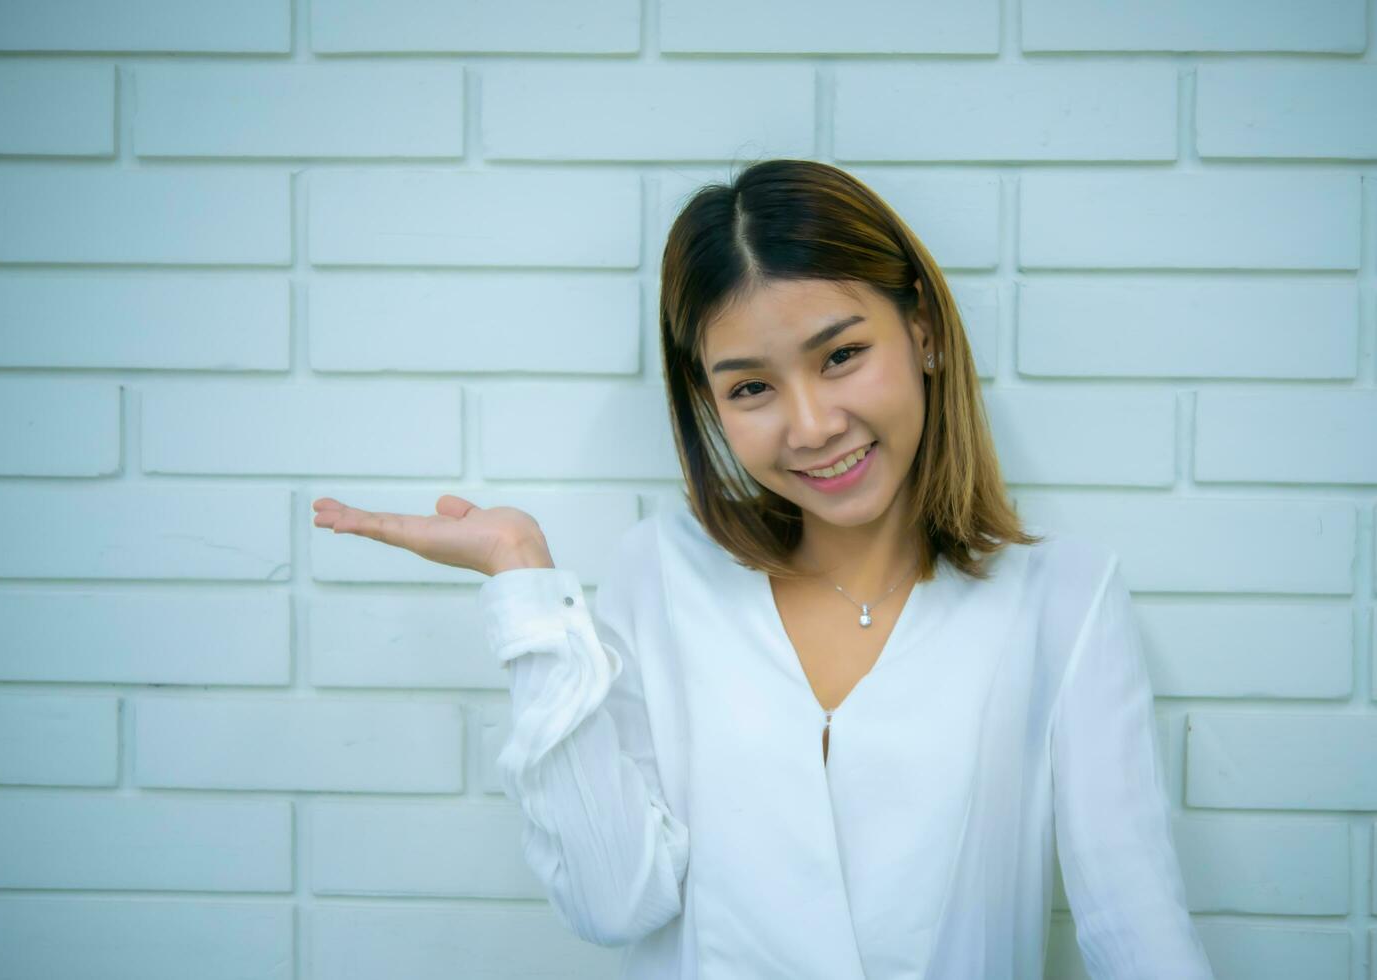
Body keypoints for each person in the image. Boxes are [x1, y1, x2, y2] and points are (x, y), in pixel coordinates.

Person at [312, 159, 1215, 979]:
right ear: (707, 401)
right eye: (751, 387)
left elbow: (1136, 933)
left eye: (843, 355)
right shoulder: (663, 571)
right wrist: (525, 587)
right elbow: (611, 901)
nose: (812, 424)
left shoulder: (1065, 600)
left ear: (925, 333)